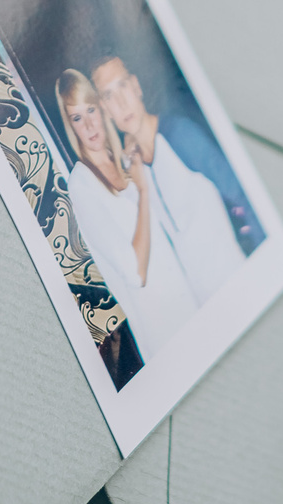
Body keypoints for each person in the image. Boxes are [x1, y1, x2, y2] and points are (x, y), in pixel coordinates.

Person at [56, 70, 196, 359]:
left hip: (189, 302)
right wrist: (143, 192)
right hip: (163, 332)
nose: (90, 124)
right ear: (70, 126)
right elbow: (135, 273)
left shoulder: (121, 159)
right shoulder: (81, 185)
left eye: (91, 109)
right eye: (78, 118)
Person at [90, 57, 250, 304]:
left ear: (136, 86)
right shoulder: (132, 171)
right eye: (110, 95)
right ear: (105, 109)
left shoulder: (180, 135)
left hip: (240, 286)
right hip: (203, 309)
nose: (121, 102)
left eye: (123, 86)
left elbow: (242, 197)